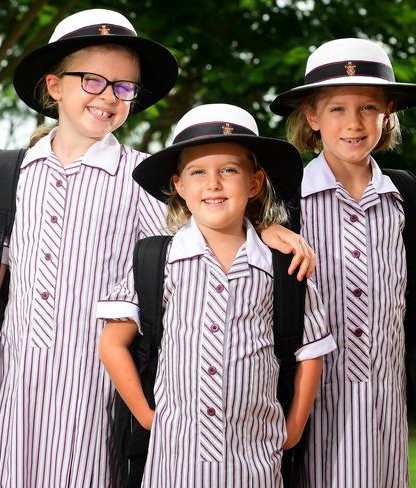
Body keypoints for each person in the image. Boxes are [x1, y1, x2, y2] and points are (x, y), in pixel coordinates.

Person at [0, 10, 316, 487]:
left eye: (123, 87)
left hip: (100, 393)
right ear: (55, 87)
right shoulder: (13, 174)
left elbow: (214, 220)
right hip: (16, 388)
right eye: (93, 81)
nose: (108, 97)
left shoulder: (143, 180)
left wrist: (266, 227)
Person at [97, 104, 336, 487]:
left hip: (255, 462)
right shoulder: (158, 261)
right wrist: (146, 416)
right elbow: (112, 343)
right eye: (198, 172)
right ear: (178, 185)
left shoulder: (282, 268)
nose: (213, 184)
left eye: (229, 170)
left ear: (255, 183)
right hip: (174, 462)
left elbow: (311, 351)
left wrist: (293, 427)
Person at [270, 38, 416, 487]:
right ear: (312, 117)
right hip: (305, 406)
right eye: (337, 108)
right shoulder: (282, 199)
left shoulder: (407, 198)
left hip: (386, 407)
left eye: (368, 108)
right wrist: (263, 229)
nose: (354, 123)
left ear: (388, 113)